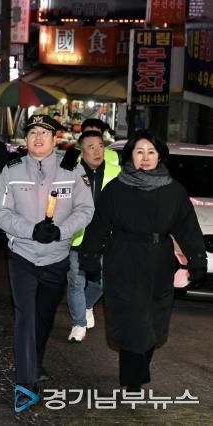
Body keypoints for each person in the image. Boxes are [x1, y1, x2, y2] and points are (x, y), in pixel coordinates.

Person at [78, 130, 206, 392]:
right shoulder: (116, 188)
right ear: (131, 156)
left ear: (159, 156)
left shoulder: (173, 190)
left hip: (159, 261)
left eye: (151, 152)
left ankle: (138, 366)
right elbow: (99, 224)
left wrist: (196, 258)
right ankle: (132, 377)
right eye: (139, 152)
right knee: (131, 317)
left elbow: (188, 228)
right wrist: (89, 255)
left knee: (153, 318)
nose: (145, 157)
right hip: (122, 259)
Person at [0, 114, 94, 409]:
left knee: (44, 317)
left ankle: (34, 362)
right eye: (33, 132)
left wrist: (61, 231)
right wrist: (30, 230)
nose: (38, 138)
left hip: (57, 257)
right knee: (25, 315)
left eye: (44, 133)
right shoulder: (12, 169)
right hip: (22, 254)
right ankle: (26, 383)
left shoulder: (72, 169)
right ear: (25, 139)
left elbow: (85, 209)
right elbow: (1, 212)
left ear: (54, 139)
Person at [66, 131, 121, 342]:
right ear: (81, 150)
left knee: (102, 283)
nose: (98, 151)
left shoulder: (117, 172)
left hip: (105, 238)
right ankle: (78, 324)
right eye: (91, 147)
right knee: (76, 281)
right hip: (77, 237)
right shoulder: (70, 171)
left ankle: (88, 304)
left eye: (100, 146)